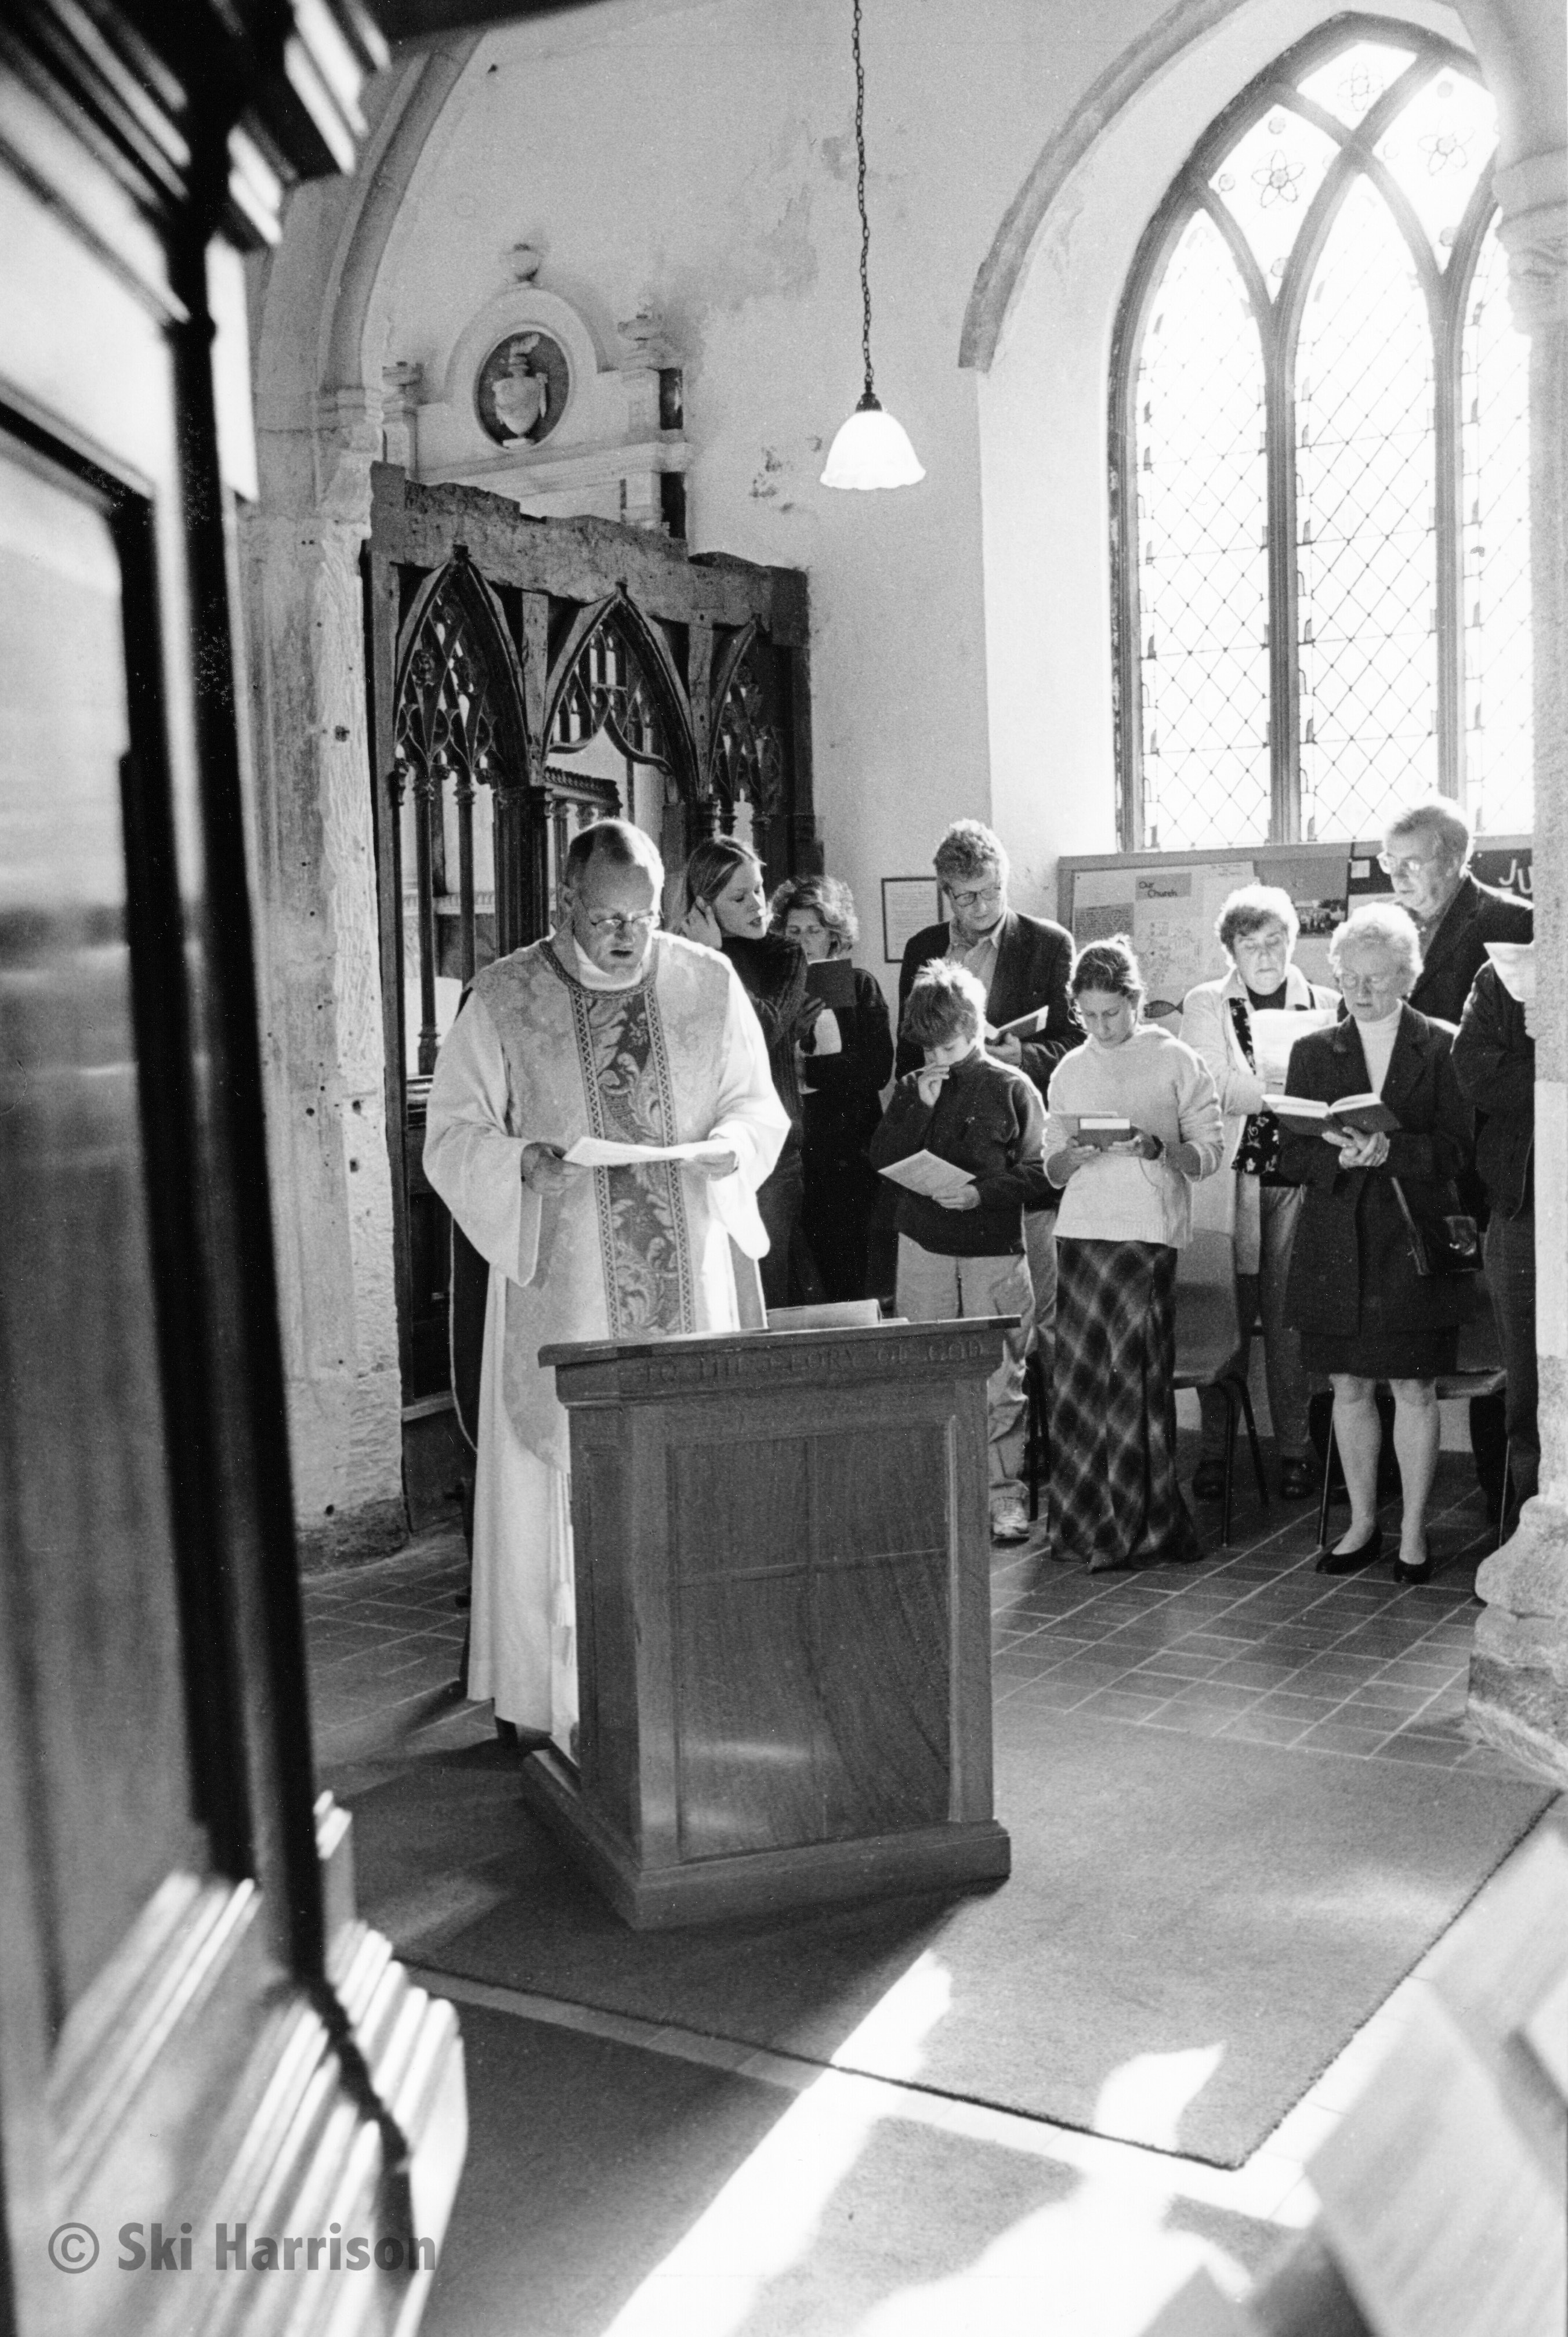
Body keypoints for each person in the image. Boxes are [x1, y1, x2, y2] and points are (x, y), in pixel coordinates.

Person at [424, 820, 788, 1750]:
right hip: (564, 1278)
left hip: (687, 1271)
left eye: (643, 917)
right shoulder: (505, 995)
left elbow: (755, 1105)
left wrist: (732, 1147)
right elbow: (453, 1133)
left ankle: (690, 1683)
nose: (626, 938)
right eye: (605, 919)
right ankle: (555, 1702)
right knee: (560, 1477)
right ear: (564, 902)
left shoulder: (708, 983)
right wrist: (520, 1162)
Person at [1275, 902, 1474, 1585]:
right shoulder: (1312, 1051)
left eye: (1378, 978)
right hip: (1338, 1240)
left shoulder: (1443, 1045)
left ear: (1407, 976)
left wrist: (1393, 1150)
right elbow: (1292, 1157)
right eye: (1350, 978)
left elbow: (1460, 1152)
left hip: (1412, 1241)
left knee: (1414, 1385)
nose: (1361, 991)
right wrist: (1337, 1156)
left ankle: (1414, 1531)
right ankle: (1363, 1523)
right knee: (1348, 1384)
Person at [1044, 938, 1223, 1572]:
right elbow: (1051, 1166)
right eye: (1088, 1015)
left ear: (1135, 1001)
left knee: (1133, 1378)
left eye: (1112, 1014)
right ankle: (1085, 1523)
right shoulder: (1069, 1067)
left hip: (1146, 1232)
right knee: (1080, 1382)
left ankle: (1138, 1524)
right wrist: (1073, 1156)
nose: (1100, 1027)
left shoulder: (1176, 1058)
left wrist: (1158, 1148)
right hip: (1082, 1232)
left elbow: (1209, 1153)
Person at [1379, 797, 1530, 1516]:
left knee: (1503, 1335)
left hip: (1480, 1159)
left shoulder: (1509, 922)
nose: (1397, 877)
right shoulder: (1386, 930)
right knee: (1407, 1318)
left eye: (1411, 863)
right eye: (1390, 862)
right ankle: (1399, 1485)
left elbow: (1514, 1049)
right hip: (1406, 1150)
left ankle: (1507, 1497)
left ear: (1454, 858)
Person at [869, 960, 1046, 1544]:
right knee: (927, 1372)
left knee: (1000, 1378)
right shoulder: (912, 1086)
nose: (937, 1058)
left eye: (947, 1046)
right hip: (923, 1246)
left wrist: (980, 1194)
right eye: (928, 1048)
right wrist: (917, 1107)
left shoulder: (1012, 1086)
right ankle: (935, 1494)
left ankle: (1003, 1497)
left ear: (974, 1028)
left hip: (993, 1249)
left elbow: (1043, 1171)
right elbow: (881, 1159)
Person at [895, 820, 1081, 1366]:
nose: (982, 907)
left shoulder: (1047, 943)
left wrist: (1023, 1056)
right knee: (951, 1322)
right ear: (945, 893)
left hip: (1015, 1149)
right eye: (966, 897)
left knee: (1032, 1315)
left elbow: (1076, 1044)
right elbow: (908, 1047)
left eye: (992, 891)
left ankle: (1039, 1420)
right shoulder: (923, 948)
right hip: (945, 1154)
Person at [1179, 885, 1338, 1502]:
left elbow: (1333, 1092)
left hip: (1299, 1181)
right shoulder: (1206, 1002)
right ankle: (1216, 1450)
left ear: (1293, 942)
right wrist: (1288, 1087)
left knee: (1291, 1322)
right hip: (1233, 1183)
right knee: (1226, 1321)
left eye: (1276, 942)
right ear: (1232, 951)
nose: (1266, 956)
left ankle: (1295, 1451)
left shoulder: (1325, 1002)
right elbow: (1212, 1084)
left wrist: (1269, 1088)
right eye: (1251, 945)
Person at [675, 835, 823, 1308]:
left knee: (765, 1295)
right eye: (739, 898)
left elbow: (763, 1027)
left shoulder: (785, 955)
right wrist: (701, 955)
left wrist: (713, 959)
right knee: (710, 1294)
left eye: (758, 889)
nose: (759, 905)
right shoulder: (677, 956)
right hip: (700, 1144)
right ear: (704, 905)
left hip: (770, 1150)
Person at [770, 873, 893, 1302]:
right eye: (794, 931)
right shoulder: (771, 992)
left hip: (847, 1147)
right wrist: (789, 1037)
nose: (804, 941)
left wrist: (810, 1068)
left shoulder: (860, 986)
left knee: (847, 1264)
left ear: (833, 935)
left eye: (814, 930)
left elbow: (877, 1069)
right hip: (793, 1144)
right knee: (795, 1266)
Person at [1453, 956, 1538, 1535]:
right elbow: (1474, 1071)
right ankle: (1529, 1539)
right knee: (1525, 1392)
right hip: (1521, 1210)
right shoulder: (1505, 973)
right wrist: (1552, 1060)